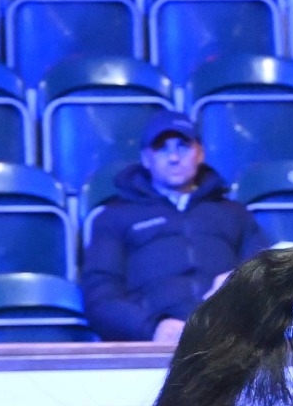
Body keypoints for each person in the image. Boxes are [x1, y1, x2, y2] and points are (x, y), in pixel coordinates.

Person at [82, 110, 271, 344]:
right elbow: (100, 298)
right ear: (145, 159)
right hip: (154, 343)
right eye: (161, 148)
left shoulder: (232, 212)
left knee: (292, 258)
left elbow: (268, 274)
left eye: (183, 146)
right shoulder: (113, 216)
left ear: (200, 153)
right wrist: (153, 328)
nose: (173, 158)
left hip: (230, 334)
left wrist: (239, 283)